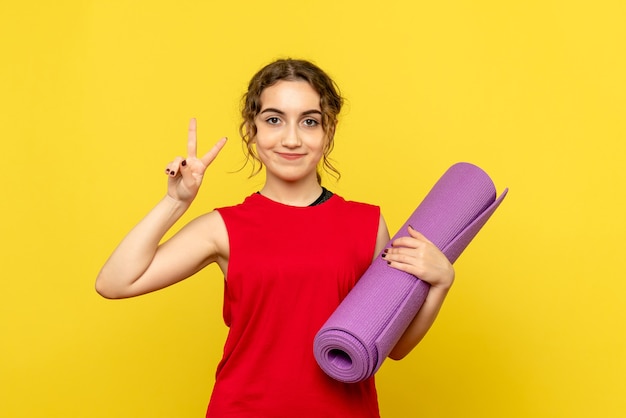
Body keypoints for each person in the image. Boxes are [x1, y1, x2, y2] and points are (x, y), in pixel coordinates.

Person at [96, 58, 455, 418]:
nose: (291, 138)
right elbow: (114, 282)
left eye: (309, 122)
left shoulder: (368, 223)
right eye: (273, 119)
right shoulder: (222, 227)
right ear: (251, 132)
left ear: (328, 132)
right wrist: (176, 201)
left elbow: (393, 347)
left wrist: (439, 284)